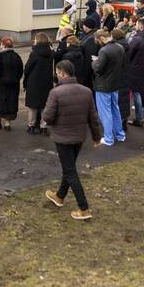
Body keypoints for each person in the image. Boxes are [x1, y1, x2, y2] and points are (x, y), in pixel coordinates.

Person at [42, 60, 102, 221]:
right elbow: (93, 118)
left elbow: (47, 116)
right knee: (69, 168)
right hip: (78, 137)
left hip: (62, 137)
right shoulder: (86, 91)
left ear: (62, 73)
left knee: (70, 171)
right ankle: (60, 196)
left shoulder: (56, 92)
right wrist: (97, 136)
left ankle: (84, 208)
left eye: (57, 72)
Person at [91, 29, 125, 146]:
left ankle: (109, 138)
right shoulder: (120, 47)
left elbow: (98, 69)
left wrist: (94, 62)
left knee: (105, 113)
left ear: (101, 38)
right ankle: (120, 135)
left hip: (103, 86)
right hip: (115, 84)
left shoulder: (104, 51)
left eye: (97, 40)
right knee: (115, 110)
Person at [0, 37, 24, 130]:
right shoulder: (17, 56)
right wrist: (16, 80)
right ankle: (7, 124)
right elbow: (20, 71)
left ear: (3, 45)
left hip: (0, 85)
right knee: (10, 103)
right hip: (13, 85)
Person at [24, 32, 56, 135]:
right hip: (46, 81)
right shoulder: (50, 53)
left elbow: (28, 67)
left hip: (34, 82)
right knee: (44, 106)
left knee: (33, 106)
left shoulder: (34, 53)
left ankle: (31, 126)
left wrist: (25, 80)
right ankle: (43, 127)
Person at [111, 28, 132, 135]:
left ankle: (118, 125)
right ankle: (124, 122)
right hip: (126, 75)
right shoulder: (128, 45)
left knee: (118, 101)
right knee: (125, 99)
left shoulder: (117, 48)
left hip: (118, 76)